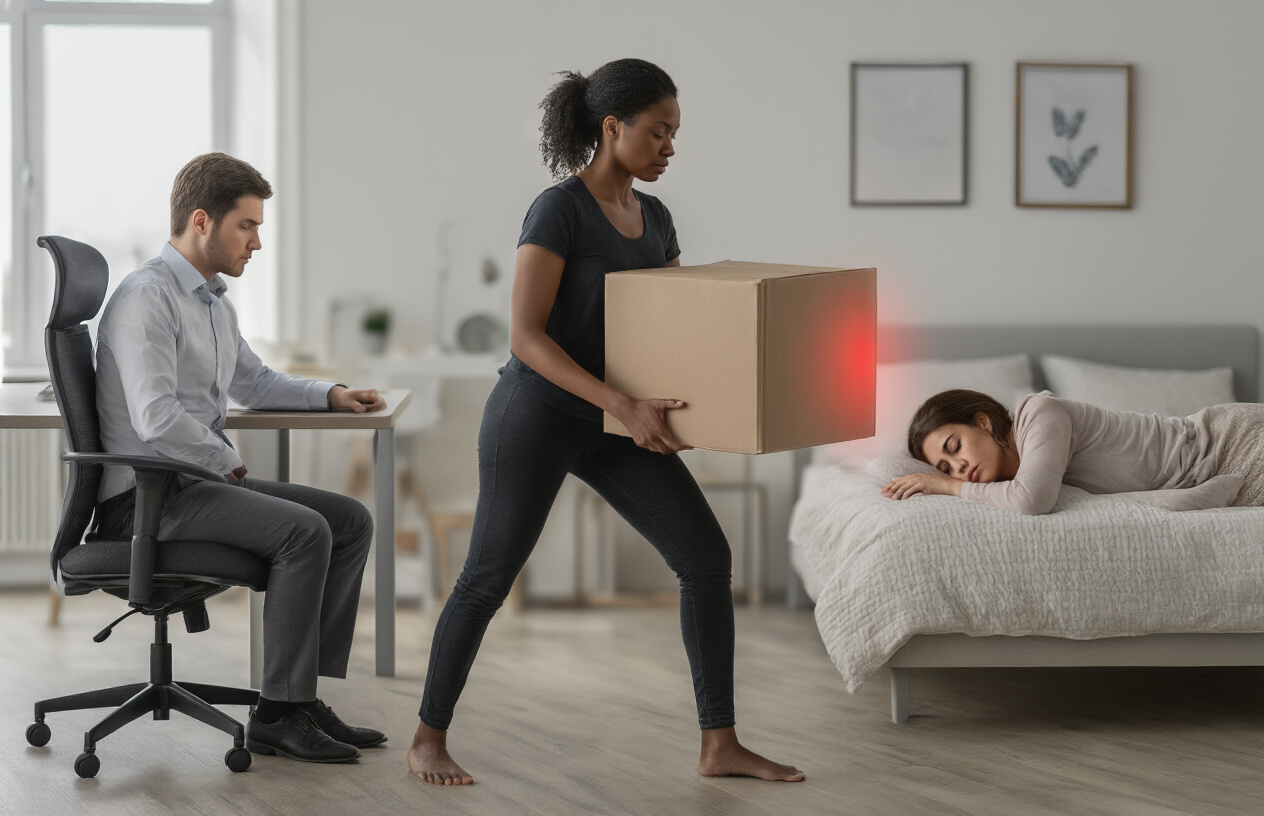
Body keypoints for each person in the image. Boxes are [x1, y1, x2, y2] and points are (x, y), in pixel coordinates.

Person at [406, 59, 805, 785]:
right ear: (612, 128)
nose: (670, 148)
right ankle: (428, 737)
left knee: (704, 558)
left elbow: (676, 328)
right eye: (659, 132)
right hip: (536, 412)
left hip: (614, 420)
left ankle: (720, 744)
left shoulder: (656, 218)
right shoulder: (556, 210)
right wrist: (619, 402)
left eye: (676, 134)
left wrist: (710, 402)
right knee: (487, 577)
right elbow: (524, 336)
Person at [94, 152, 389, 764]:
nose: (257, 241)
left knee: (349, 520)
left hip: (188, 487)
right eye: (247, 226)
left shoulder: (212, 302)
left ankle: (299, 697)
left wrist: (330, 395)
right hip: (147, 500)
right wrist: (222, 457)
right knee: (305, 533)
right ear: (202, 221)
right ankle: (278, 712)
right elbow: (155, 419)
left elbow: (253, 382)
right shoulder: (147, 298)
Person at [882, 388, 1264, 514]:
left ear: (982, 421)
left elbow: (1032, 501)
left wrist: (944, 486)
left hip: (1228, 443)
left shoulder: (1039, 412)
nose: (958, 467)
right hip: (1205, 471)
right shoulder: (1013, 473)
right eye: (945, 468)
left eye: (955, 447)